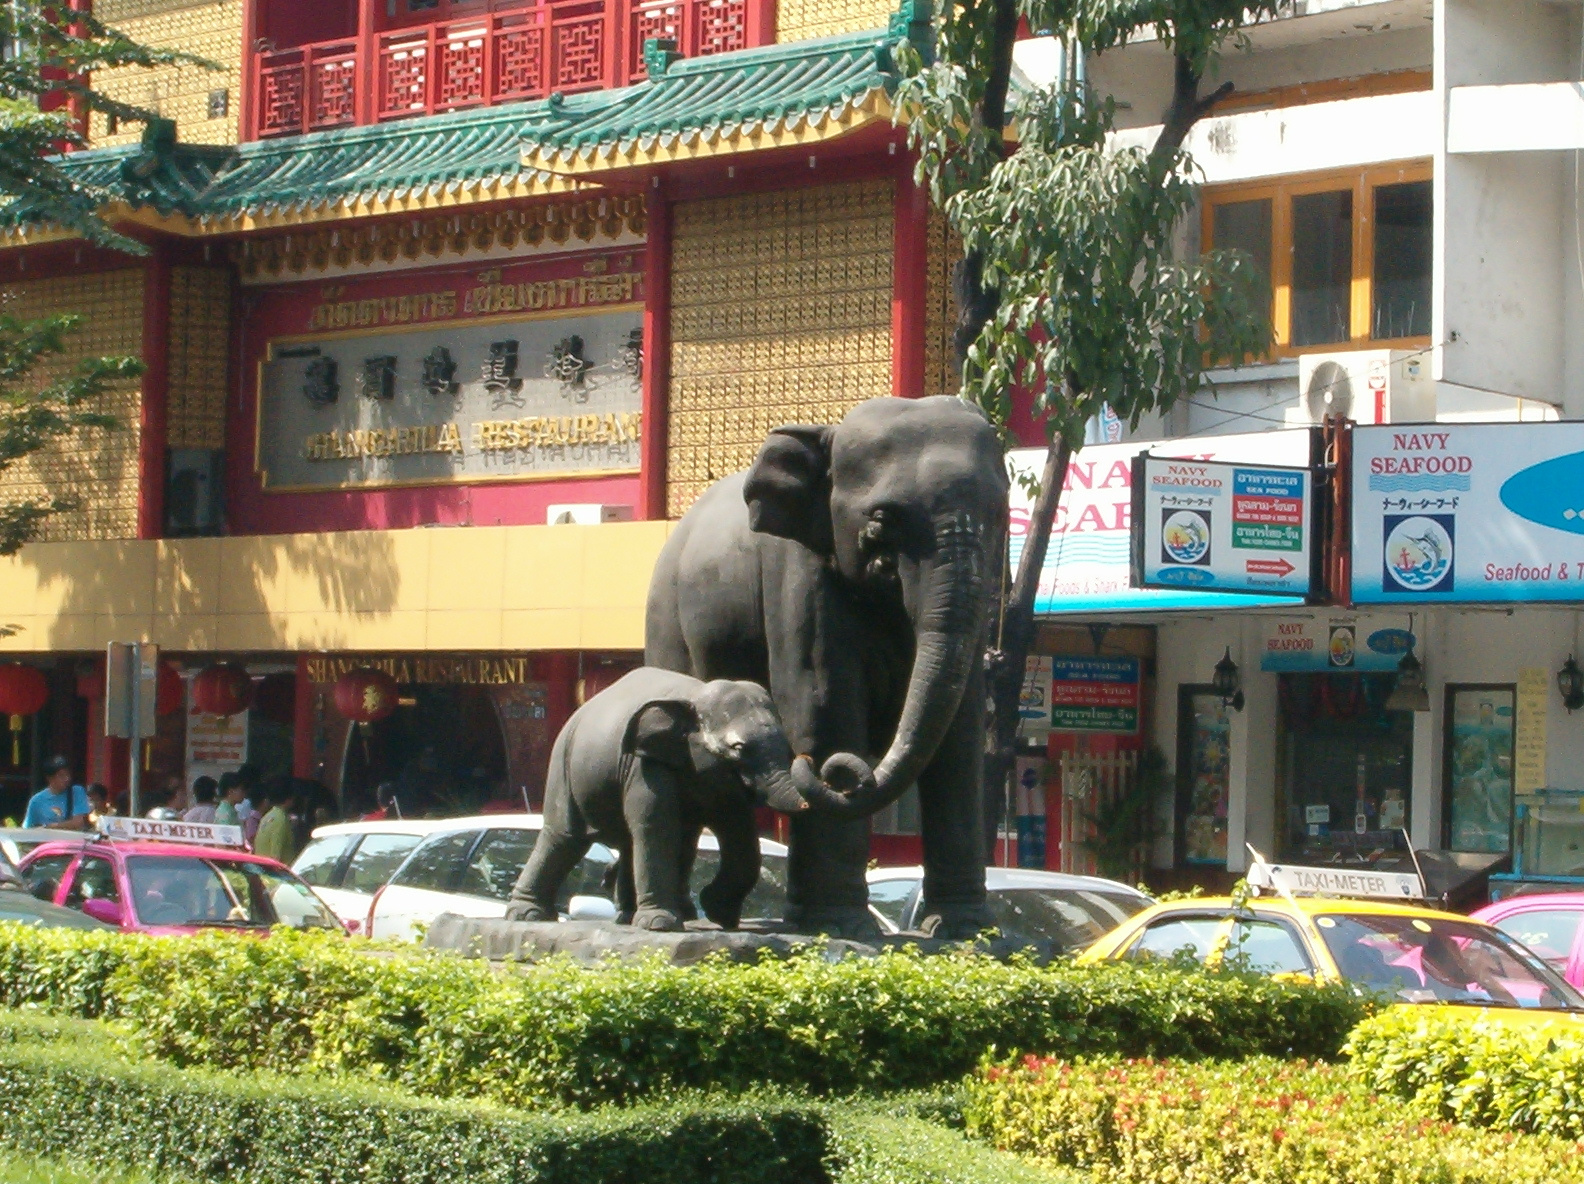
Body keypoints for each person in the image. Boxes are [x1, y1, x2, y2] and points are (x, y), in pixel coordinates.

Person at [23, 756, 90, 830]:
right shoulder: (36, 801)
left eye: (68, 774)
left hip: (72, 840)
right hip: (47, 840)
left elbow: (78, 823)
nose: (67, 778)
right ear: (50, 778)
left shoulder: (77, 791)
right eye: (62, 775)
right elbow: (28, 827)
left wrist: (48, 827)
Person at [251, 780, 297, 865]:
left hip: (261, 866)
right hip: (275, 872)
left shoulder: (267, 816)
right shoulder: (281, 819)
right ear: (289, 799)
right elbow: (276, 853)